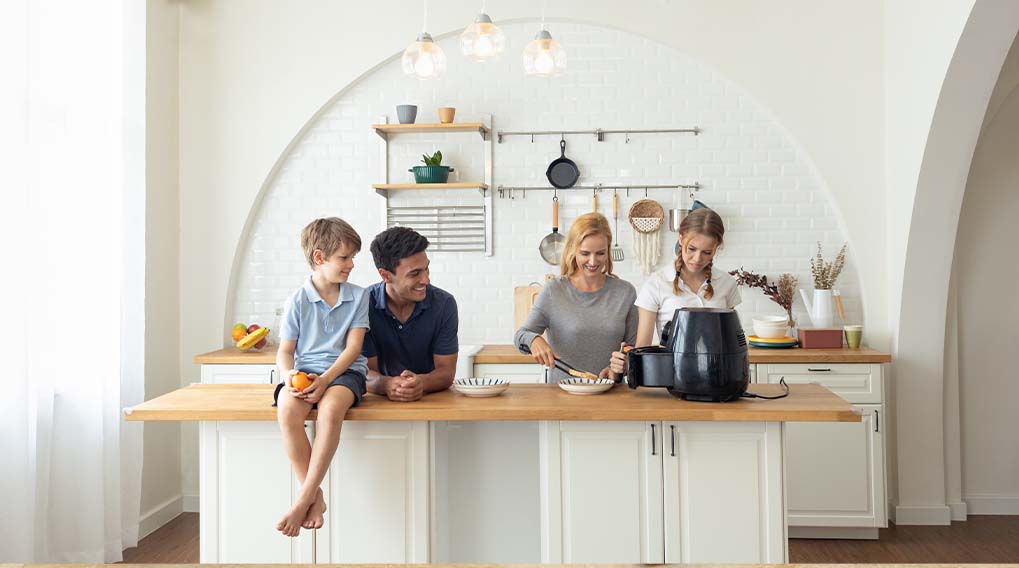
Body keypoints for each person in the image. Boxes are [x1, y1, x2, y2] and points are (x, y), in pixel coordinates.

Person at [273, 217, 370, 537]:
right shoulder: (297, 301)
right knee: (287, 410)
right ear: (319, 257)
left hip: (344, 373)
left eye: (353, 257)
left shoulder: (359, 297)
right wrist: (289, 377)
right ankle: (315, 496)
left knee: (330, 410)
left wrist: (326, 380)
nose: (352, 265)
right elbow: (285, 352)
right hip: (305, 373)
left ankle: (302, 500)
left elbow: (353, 349)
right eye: (345, 257)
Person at [609, 208, 740, 375]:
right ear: (681, 239)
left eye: (707, 252)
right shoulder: (656, 283)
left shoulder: (726, 283)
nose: (698, 259)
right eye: (692, 249)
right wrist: (626, 364)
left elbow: (731, 339)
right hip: (672, 378)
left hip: (718, 377)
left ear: (716, 248)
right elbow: (643, 348)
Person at [515, 212, 638, 382]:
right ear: (573, 250)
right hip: (562, 396)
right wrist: (534, 340)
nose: (593, 261)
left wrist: (620, 368)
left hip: (611, 395)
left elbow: (633, 351)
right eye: (585, 253)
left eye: (600, 253)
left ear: (608, 251)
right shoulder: (554, 290)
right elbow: (521, 335)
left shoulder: (625, 292)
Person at [363, 227, 458, 402]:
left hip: (429, 401)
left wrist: (421, 382)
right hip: (380, 404)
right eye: (415, 274)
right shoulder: (363, 306)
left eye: (426, 269)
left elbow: (446, 372)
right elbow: (364, 371)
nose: (426, 280)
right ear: (385, 275)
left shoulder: (444, 304)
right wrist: (386, 384)